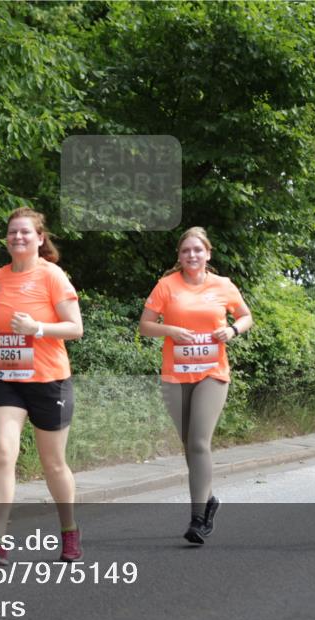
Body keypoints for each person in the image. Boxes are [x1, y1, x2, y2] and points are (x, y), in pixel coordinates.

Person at [0, 208, 84, 566]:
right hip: (7, 377)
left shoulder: (52, 276)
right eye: (11, 233)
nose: (17, 238)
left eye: (24, 233)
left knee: (53, 464)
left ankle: (69, 531)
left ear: (39, 238)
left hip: (49, 380)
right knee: (3, 452)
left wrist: (37, 328)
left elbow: (75, 328)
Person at [139, 227, 252, 544]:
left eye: (197, 250)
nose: (192, 255)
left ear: (208, 254)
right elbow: (145, 326)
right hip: (175, 375)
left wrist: (231, 331)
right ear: (179, 255)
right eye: (186, 250)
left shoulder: (223, 285)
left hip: (211, 373)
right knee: (188, 444)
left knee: (199, 442)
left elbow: (246, 316)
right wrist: (171, 330)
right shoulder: (166, 286)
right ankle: (209, 499)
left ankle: (198, 518)